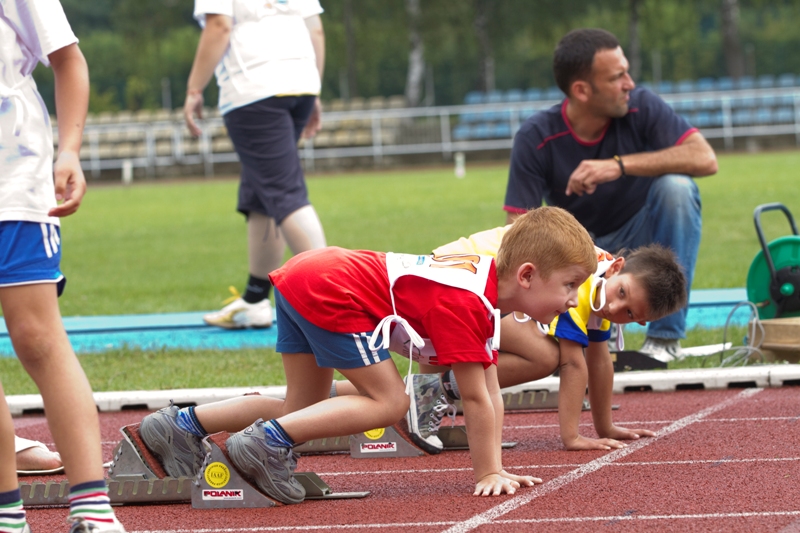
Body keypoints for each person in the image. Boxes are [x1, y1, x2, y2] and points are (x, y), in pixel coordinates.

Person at [137, 207, 598, 501]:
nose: (572, 298)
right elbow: (476, 399)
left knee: (302, 410)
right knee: (392, 401)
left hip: (311, 274)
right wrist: (491, 471)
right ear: (527, 275)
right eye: (570, 285)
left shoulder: (484, 293)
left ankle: (181, 424)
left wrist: (497, 466)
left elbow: (489, 390)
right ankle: (266, 443)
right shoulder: (471, 303)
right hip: (332, 288)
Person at [332, 224, 687, 453]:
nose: (613, 307)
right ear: (616, 267)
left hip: (477, 281)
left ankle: (376, 394)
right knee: (545, 355)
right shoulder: (583, 280)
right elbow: (575, 364)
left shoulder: (600, 293)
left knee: (426, 375)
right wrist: (572, 438)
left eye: (629, 314)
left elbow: (599, 360)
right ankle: (429, 395)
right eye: (621, 293)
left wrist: (606, 426)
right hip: (462, 278)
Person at [503, 28, 717, 362]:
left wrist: (618, 166)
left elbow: (705, 158)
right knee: (535, 243)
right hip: (576, 248)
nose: (629, 83)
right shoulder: (536, 136)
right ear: (582, 90)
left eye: (627, 72)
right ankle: (570, 331)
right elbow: (516, 228)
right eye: (617, 77)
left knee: (676, 189)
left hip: (638, 237)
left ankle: (664, 341)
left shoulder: (640, 106)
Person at [0, 1, 126, 531]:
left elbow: (69, 60)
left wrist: (69, 151)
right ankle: (7, 512)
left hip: (14, 180)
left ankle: (92, 507)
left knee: (37, 337)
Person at [185, 0, 328, 329]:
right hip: (301, 83)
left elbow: (219, 25)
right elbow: (315, 29)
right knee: (260, 191)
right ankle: (254, 299)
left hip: (254, 89)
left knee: (283, 192)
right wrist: (314, 89)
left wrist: (195, 89)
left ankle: (334, 300)